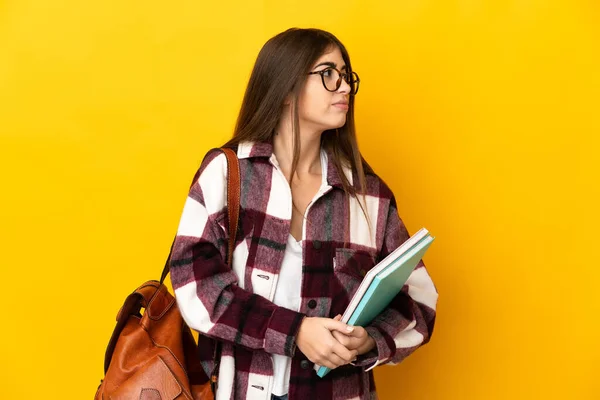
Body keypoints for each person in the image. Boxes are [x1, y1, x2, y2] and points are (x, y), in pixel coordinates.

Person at [169, 27, 438, 400]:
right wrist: (295, 331)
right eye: (328, 73)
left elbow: (420, 300)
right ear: (285, 88)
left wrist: (367, 341)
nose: (344, 87)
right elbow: (194, 285)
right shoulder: (228, 173)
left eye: (346, 76)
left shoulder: (369, 195)